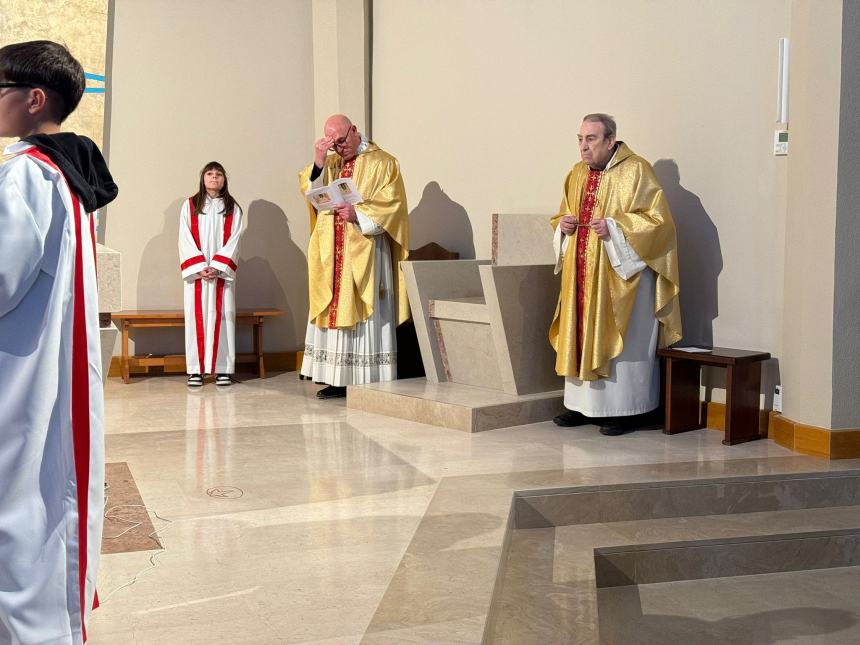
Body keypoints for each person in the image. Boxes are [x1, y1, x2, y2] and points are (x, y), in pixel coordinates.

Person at [0, 40, 118, 643]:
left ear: (33, 98)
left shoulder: (25, 175)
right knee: (42, 508)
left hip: (17, 380)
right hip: (46, 373)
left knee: (20, 517)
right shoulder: (66, 175)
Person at [549, 114, 681, 436]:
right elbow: (565, 213)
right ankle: (581, 407)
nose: (583, 146)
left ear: (610, 140)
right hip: (583, 276)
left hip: (624, 279)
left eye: (590, 139)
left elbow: (659, 224)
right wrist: (564, 226)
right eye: (580, 139)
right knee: (581, 332)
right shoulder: (577, 174)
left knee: (626, 342)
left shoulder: (637, 170)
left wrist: (615, 227)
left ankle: (626, 410)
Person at [298, 114, 410, 398]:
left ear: (355, 130)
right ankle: (336, 378)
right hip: (331, 248)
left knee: (361, 307)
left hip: (365, 250)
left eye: (342, 141)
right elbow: (311, 191)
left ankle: (366, 378)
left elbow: (393, 205)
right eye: (332, 144)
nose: (339, 148)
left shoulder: (383, 162)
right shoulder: (331, 161)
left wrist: (358, 214)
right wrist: (320, 161)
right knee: (333, 302)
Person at [178, 162, 244, 387]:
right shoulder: (189, 206)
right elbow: (184, 237)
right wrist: (199, 267)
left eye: (218, 174)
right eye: (209, 174)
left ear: (224, 179)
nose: (214, 178)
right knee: (196, 319)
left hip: (220, 276)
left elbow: (235, 240)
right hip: (198, 276)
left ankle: (222, 369)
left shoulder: (233, 208)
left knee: (223, 317)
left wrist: (217, 266)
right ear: (203, 178)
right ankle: (196, 370)